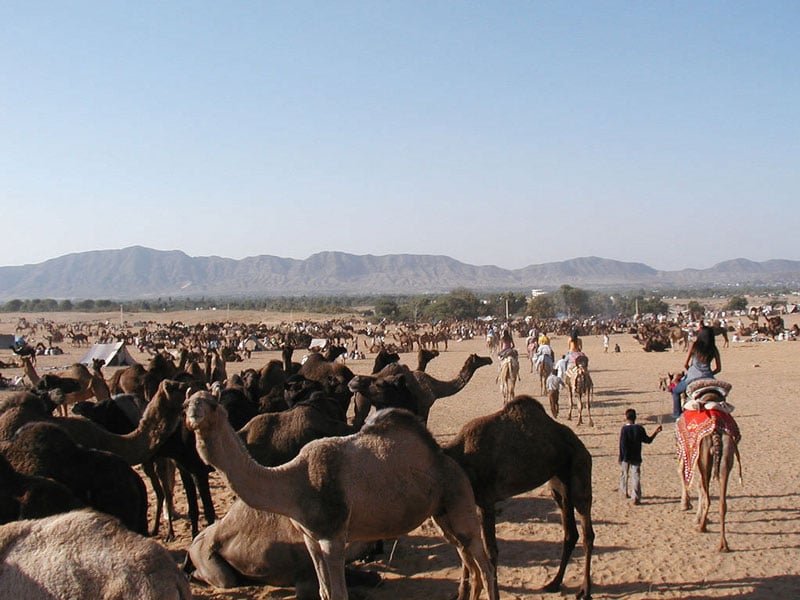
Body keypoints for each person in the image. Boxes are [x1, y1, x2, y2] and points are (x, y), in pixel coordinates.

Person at [671, 324, 721, 419]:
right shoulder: (714, 349)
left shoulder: (694, 345)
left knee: (675, 391)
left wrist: (690, 371)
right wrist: (709, 373)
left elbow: (685, 364)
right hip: (709, 378)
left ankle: (677, 415)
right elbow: (718, 369)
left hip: (693, 378)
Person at [619, 408, 662, 505]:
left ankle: (624, 492)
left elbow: (622, 445)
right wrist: (656, 432)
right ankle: (636, 496)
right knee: (636, 476)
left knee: (624, 474)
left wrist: (621, 457)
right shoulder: (639, 429)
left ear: (626, 417)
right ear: (635, 417)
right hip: (636, 456)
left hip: (626, 456)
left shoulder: (624, 429)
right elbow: (648, 440)